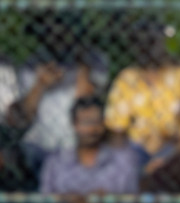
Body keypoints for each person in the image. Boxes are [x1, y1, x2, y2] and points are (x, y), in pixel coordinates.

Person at [37, 97, 140, 203]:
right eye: (85, 122)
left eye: (96, 122)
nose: (92, 129)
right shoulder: (56, 164)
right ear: (74, 125)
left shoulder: (123, 160)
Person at [12, 14, 110, 159]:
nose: (58, 37)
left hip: (76, 145)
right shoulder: (33, 63)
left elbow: (86, 103)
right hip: (38, 144)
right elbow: (24, 116)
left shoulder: (95, 59)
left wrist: (81, 63)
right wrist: (40, 85)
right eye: (52, 32)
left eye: (64, 32)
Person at [103, 20, 180, 165]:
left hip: (176, 146)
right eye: (142, 42)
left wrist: (168, 148)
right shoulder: (127, 78)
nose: (148, 47)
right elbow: (116, 128)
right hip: (137, 148)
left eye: (154, 41)